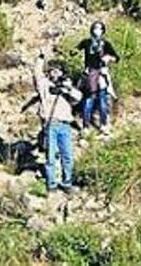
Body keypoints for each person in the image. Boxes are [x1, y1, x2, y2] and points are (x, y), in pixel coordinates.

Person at [33, 52, 81, 195]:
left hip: (65, 125)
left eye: (58, 70)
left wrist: (68, 89)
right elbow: (37, 74)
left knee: (67, 156)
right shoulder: (44, 86)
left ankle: (67, 183)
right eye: (53, 70)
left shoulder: (66, 86)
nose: (55, 73)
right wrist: (40, 58)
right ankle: (51, 184)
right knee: (50, 156)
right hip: (51, 124)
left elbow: (78, 98)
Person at [76, 21, 118, 135]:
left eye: (99, 28)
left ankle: (104, 125)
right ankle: (85, 126)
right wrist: (74, 52)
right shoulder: (87, 42)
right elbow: (75, 50)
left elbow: (117, 58)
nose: (97, 31)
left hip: (102, 74)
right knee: (88, 100)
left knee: (103, 101)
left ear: (103, 31)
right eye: (95, 28)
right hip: (90, 74)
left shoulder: (106, 44)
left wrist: (109, 57)